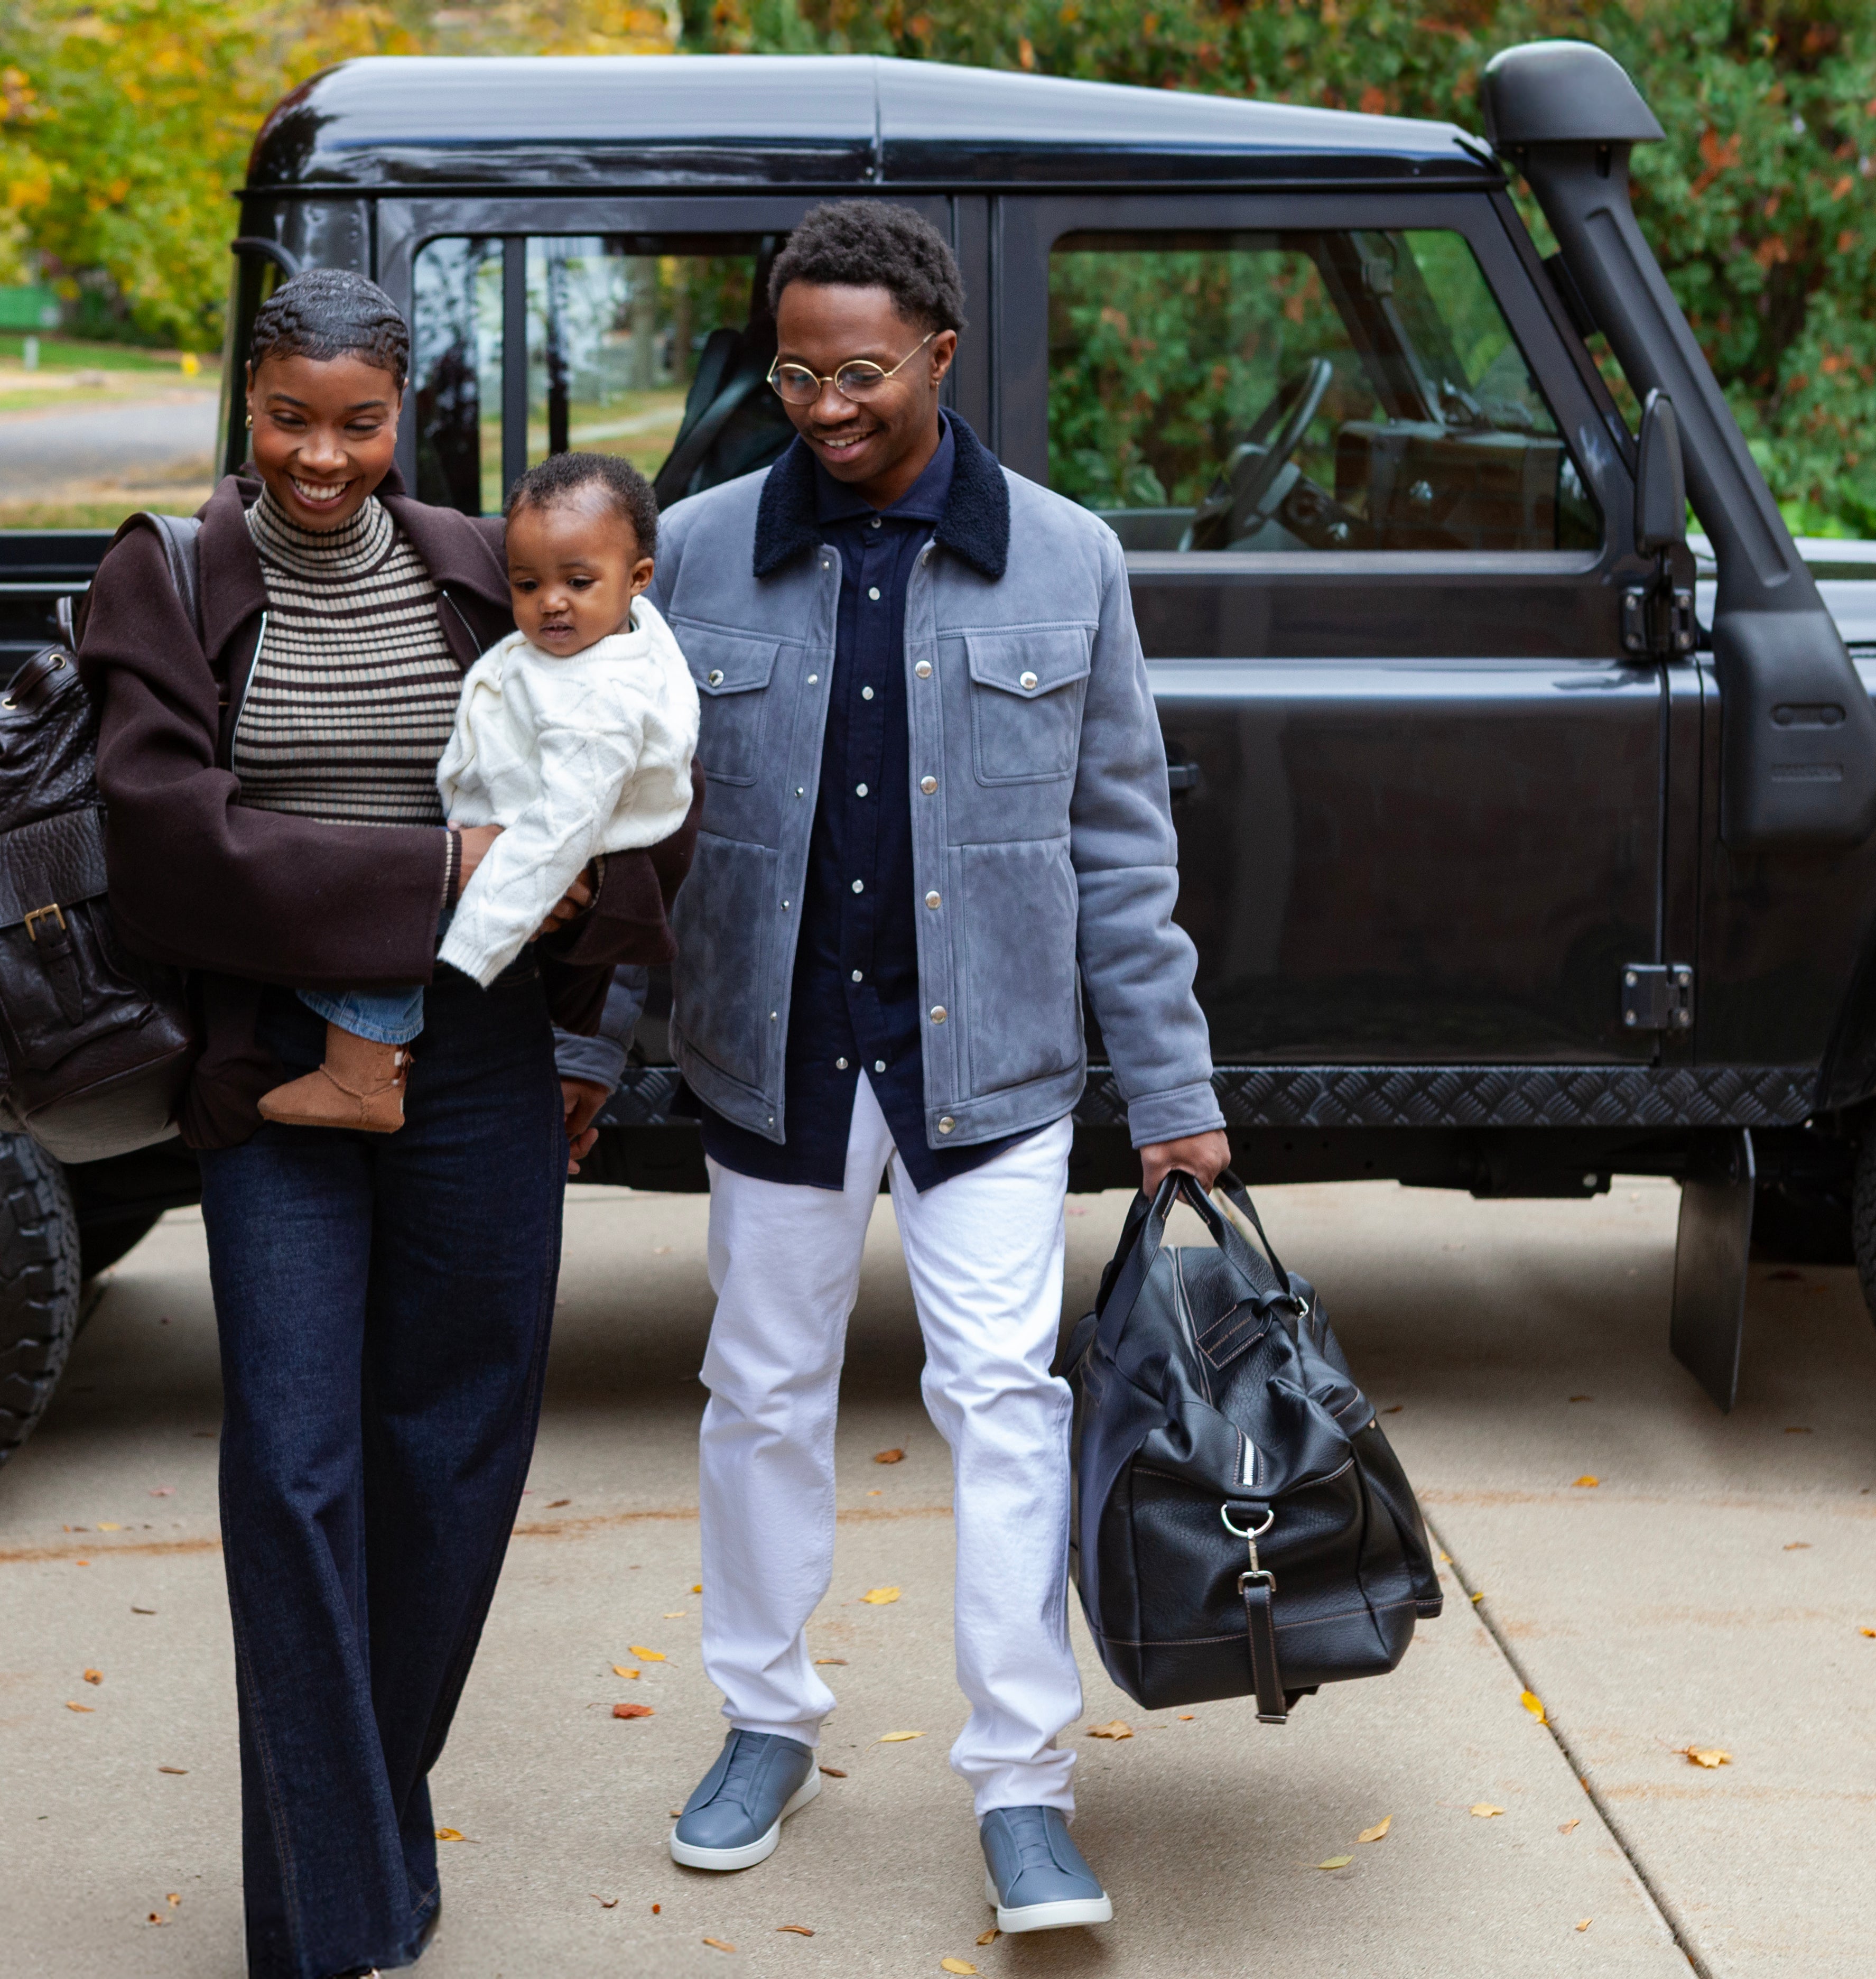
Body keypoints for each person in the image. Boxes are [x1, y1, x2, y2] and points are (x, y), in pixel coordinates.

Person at [75, 267, 690, 1979]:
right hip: (272, 1060)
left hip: (483, 1049)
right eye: (288, 417)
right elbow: (165, 836)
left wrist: (589, 997)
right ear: (243, 400)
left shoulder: (463, 563)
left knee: (455, 1445)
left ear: (399, 414)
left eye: (356, 422)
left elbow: (622, 770)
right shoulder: (171, 575)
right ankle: (330, 1918)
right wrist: (429, 875)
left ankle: (360, 1811)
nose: (321, 456)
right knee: (292, 1463)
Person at [640, 200, 1227, 1931]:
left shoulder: (1065, 559)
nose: (822, 402)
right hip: (770, 1064)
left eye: (861, 373)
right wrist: (595, 1052)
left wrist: (1173, 1091)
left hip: (993, 1077)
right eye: (794, 369)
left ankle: (1024, 1788)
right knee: (756, 1397)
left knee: (1004, 1405)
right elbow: (630, 833)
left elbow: (1121, 851)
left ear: (941, 357)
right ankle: (764, 1718)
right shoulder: (690, 551)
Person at [263, 452, 700, 1133]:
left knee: (386, 925)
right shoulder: (605, 640)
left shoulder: (604, 701)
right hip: (506, 836)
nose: (550, 601)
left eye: (578, 582)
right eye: (526, 584)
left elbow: (563, 826)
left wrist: (480, 931)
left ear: (639, 579)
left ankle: (362, 1076)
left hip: (521, 857)